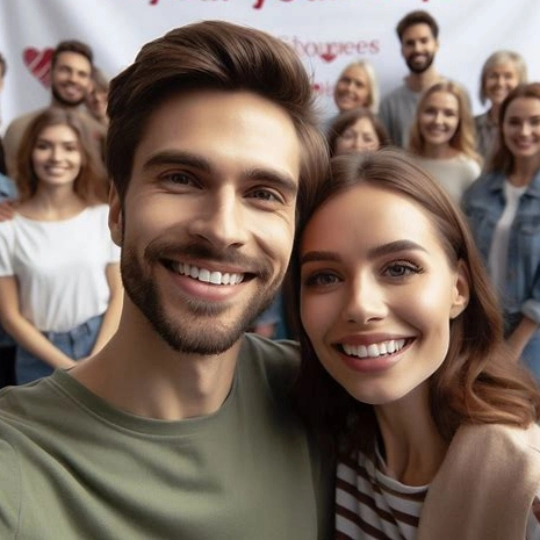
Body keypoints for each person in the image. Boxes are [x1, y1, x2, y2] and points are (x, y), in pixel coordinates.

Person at [0, 21, 333, 539]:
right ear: (115, 209)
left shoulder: (327, 396)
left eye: (264, 193)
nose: (223, 230)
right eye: (180, 179)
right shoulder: (18, 461)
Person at [294, 149, 540, 539]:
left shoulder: (526, 489)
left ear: (458, 288)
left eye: (399, 268)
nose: (360, 307)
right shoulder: (326, 438)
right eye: (324, 277)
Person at [0, 108, 121, 384]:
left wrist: (97, 356)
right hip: (38, 356)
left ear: (83, 156)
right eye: (44, 146)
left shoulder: (102, 216)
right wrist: (69, 367)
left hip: (102, 341)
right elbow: (9, 316)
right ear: (30, 153)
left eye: (69, 148)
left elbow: (119, 294)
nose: (57, 157)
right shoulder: (7, 227)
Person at [463, 82, 540, 382]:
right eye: (514, 122)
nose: (524, 131)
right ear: (501, 126)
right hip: (481, 327)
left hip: (530, 336)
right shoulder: (481, 189)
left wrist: (514, 347)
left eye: (535, 122)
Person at [3, 40, 106, 177]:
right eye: (65, 70)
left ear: (89, 81)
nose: (73, 79)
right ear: (51, 72)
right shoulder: (19, 128)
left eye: (82, 74)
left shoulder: (102, 134)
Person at [379, 10, 453, 148]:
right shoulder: (389, 105)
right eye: (410, 43)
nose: (417, 48)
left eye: (424, 41)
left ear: (436, 44)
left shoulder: (456, 96)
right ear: (402, 50)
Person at [408, 81, 482, 204]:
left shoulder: (468, 170)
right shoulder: (405, 163)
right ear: (419, 115)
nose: (438, 121)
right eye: (430, 111)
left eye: (448, 114)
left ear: (459, 121)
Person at [475, 50, 527, 162]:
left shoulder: (533, 128)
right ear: (484, 83)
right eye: (493, 76)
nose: (500, 83)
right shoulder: (469, 127)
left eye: (508, 76)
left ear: (521, 83)